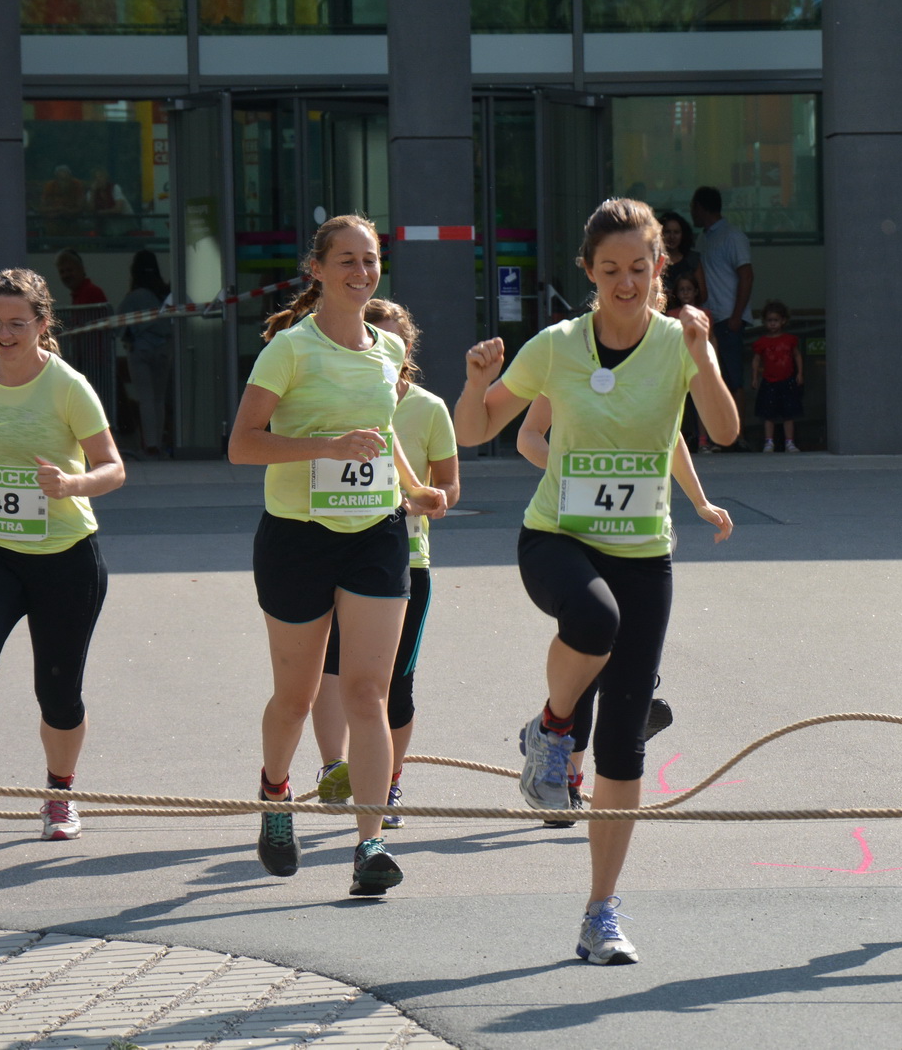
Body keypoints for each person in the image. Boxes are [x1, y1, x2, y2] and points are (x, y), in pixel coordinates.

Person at [454, 197, 739, 964]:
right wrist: (476, 380)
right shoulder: (555, 346)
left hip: (646, 554)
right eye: (609, 269)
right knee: (593, 620)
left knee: (622, 743)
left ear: (660, 269)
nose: (625, 282)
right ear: (588, 271)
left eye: (639, 268)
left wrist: (705, 357)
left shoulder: (678, 342)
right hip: (558, 537)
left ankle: (600, 910)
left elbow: (721, 428)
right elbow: (476, 429)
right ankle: (551, 730)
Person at [227, 214, 448, 897]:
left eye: (371, 260)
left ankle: (370, 843)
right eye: (346, 260)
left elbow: (381, 432)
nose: (361, 272)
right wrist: (323, 446)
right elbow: (242, 444)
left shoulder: (386, 348)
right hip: (298, 536)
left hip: (377, 534)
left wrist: (415, 489)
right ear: (316, 270)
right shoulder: (289, 350)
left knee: (367, 691)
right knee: (295, 697)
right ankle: (274, 795)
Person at [0, 268, 126, 842]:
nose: (4, 334)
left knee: (58, 692)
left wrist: (70, 485)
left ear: (44, 324)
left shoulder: (68, 385)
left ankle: (60, 794)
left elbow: (114, 468)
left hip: (65, 555)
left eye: (18, 324)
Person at [514, 392, 733, 827]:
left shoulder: (663, 365)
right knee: (594, 659)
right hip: (579, 535)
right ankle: (563, 772)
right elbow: (528, 436)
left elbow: (672, 439)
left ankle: (582, 742)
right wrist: (567, 465)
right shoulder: (568, 360)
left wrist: (699, 501)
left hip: (646, 540)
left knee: (622, 668)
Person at [310, 298, 461, 830]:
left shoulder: (427, 408)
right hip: (331, 546)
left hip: (404, 559)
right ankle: (335, 769)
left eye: (389, 335)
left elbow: (447, 487)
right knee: (326, 671)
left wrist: (424, 497)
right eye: (368, 331)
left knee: (394, 683)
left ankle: (389, 785)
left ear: (406, 347)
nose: (377, 342)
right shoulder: (326, 397)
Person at [691, 186, 754, 443]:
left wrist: (737, 315)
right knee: (707, 378)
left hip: (728, 318)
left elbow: (746, 274)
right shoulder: (703, 238)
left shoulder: (732, 236)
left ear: (701, 208)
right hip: (708, 318)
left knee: (732, 378)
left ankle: (737, 437)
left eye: (693, 207)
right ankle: (714, 436)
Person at [118, 250, 172, 458]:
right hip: (163, 352)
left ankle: (149, 445)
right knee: (159, 399)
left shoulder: (134, 296)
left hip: (140, 352)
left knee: (146, 398)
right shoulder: (163, 294)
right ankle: (157, 443)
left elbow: (119, 324)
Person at [749, 299, 804, 453]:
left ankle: (789, 442)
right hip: (769, 381)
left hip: (787, 380)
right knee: (768, 413)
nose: (772, 324)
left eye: (776, 320)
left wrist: (800, 373)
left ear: (783, 321)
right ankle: (769, 441)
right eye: (769, 321)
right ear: (764, 322)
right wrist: (754, 377)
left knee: (789, 413)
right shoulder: (762, 342)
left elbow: (797, 356)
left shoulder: (790, 340)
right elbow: (756, 360)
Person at [667, 272, 710, 452]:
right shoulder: (670, 315)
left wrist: (710, 364)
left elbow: (710, 339)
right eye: (682, 290)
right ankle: (674, 443)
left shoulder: (704, 313)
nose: (686, 293)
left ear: (696, 292)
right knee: (675, 405)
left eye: (689, 290)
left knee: (701, 402)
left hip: (697, 363)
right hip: (676, 364)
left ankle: (703, 441)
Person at [657, 209, 704, 305]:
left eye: (676, 232)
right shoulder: (653, 260)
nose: (672, 237)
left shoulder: (692, 259)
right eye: (667, 232)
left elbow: (703, 295)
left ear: (683, 235)